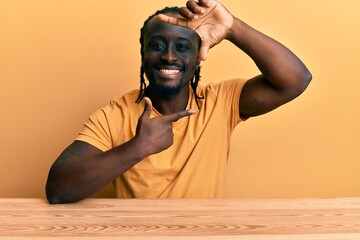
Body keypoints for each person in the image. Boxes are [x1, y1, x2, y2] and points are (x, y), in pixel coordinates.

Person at [46, 0, 312, 204]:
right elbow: (58, 189)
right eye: (158, 46)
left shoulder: (220, 101)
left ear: (198, 58)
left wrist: (233, 28)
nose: (169, 57)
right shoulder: (115, 115)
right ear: (143, 54)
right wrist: (137, 148)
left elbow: (295, 80)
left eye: (183, 47)